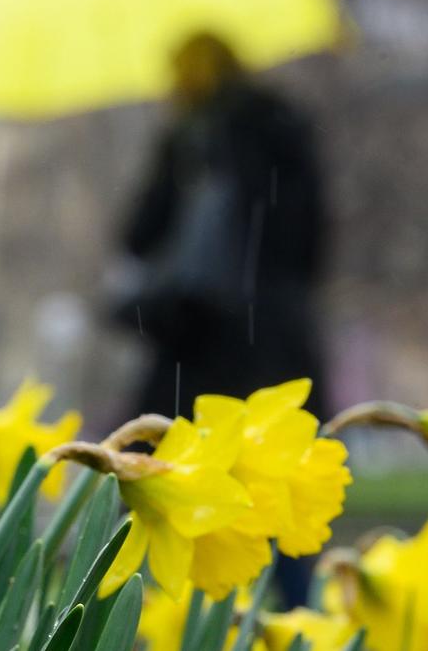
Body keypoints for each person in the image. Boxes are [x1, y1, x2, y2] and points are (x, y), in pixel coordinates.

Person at [111, 32, 327, 606]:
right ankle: (306, 627)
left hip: (200, 342)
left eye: (180, 68)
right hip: (267, 340)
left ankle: (164, 624)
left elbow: (136, 235)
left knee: (169, 490)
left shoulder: (196, 140)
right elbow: (310, 243)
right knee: (277, 509)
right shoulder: (282, 131)